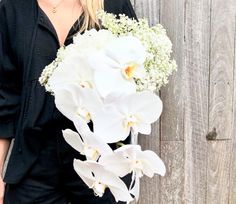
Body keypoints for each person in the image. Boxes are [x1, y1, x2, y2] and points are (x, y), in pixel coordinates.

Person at [0, 0, 137, 203]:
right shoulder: (13, 9)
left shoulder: (112, 6)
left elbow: (134, 83)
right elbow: (5, 100)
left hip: (99, 164)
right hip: (33, 164)